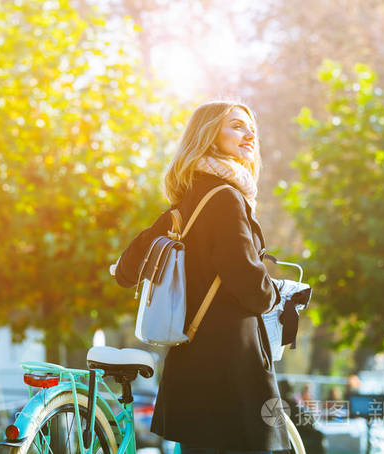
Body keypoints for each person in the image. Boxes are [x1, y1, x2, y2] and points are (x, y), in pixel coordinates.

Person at [114, 100, 291, 453]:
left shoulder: (185, 202)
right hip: (230, 369)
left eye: (250, 127)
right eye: (236, 125)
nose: (249, 133)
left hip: (189, 364)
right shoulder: (226, 198)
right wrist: (276, 292)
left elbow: (124, 271)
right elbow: (250, 286)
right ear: (209, 136)